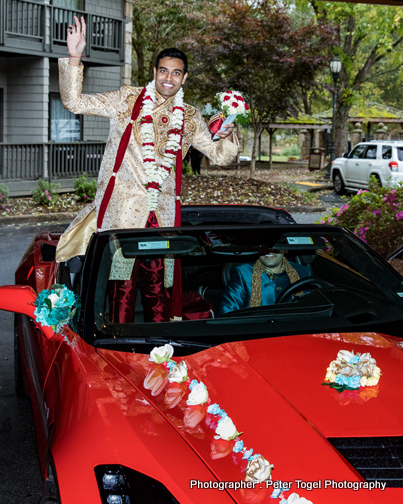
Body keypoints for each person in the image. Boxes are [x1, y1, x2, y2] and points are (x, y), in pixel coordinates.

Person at [56, 16, 239, 264]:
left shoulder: (190, 116)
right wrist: (75, 55)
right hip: (122, 213)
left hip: (162, 215)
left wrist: (228, 135)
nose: (168, 78)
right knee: (122, 289)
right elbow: (73, 103)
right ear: (154, 72)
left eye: (176, 73)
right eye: (163, 70)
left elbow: (219, 156)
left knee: (159, 289)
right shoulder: (126, 99)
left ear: (184, 78)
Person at [218, 250, 311, 316]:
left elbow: (314, 307)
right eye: (265, 245)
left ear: (285, 249)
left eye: (275, 245)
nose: (269, 250)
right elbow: (227, 313)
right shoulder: (243, 273)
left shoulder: (303, 271)